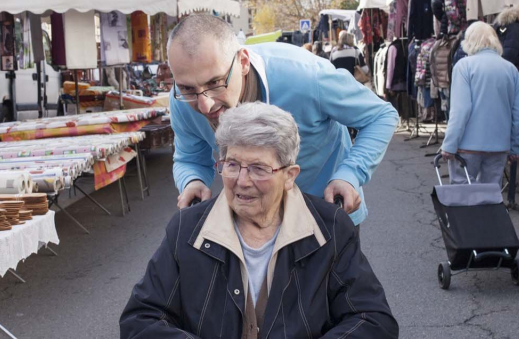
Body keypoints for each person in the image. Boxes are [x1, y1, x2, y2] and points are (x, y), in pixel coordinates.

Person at [120, 103, 399, 339]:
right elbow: (140, 319)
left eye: (258, 168)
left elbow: (373, 319)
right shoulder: (186, 231)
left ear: (289, 175)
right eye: (232, 165)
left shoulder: (330, 230)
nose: (242, 181)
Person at [168, 15, 398, 227]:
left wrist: (350, 175)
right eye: (187, 88)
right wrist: (192, 181)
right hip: (253, 228)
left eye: (215, 82)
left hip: (327, 215)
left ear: (243, 62)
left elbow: (380, 116)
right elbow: (189, 158)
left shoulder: (305, 76)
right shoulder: (180, 100)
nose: (204, 105)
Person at [441, 22, 519, 186]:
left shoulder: (464, 66)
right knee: (490, 196)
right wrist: (515, 146)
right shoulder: (510, 69)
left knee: (462, 194)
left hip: (467, 145)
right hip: (499, 146)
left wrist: (449, 144)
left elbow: (460, 110)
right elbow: (518, 113)